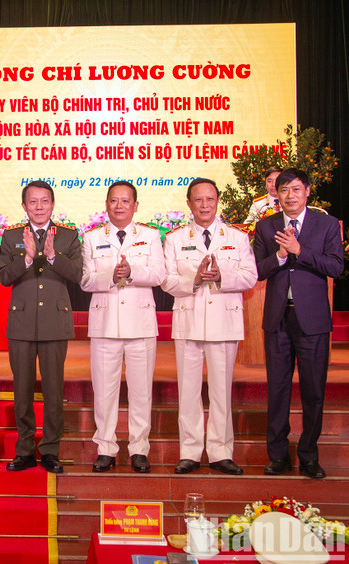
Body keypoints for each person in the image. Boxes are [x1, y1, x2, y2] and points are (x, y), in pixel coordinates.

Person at [161, 178, 257, 475]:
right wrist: (196, 279)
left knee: (220, 391)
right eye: (198, 200)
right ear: (189, 204)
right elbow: (166, 280)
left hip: (224, 323)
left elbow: (250, 277)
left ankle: (220, 452)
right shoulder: (175, 238)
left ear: (218, 202)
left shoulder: (237, 237)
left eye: (210, 199)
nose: (205, 205)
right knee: (188, 391)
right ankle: (190, 451)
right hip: (188, 322)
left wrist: (220, 275)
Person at [253, 168, 343, 479]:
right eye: (283, 190)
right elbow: (257, 271)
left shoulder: (327, 224)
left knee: (313, 390)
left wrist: (300, 251)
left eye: (295, 189)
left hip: (313, 320)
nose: (290, 195)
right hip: (278, 318)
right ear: (275, 194)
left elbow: (335, 266)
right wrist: (279, 256)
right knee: (277, 390)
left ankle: (308, 456)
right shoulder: (266, 227)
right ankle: (277, 456)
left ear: (307, 191)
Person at [0, 180, 82, 474]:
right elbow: (4, 277)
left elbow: (78, 275)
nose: (38, 207)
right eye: (32, 202)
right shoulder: (10, 237)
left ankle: (49, 450)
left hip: (55, 323)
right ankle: (24, 451)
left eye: (44, 201)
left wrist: (52, 256)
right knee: (22, 391)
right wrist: (28, 258)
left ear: (52, 204)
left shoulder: (68, 237)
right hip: (21, 323)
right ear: (24, 206)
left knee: (53, 390)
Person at [80, 181, 164, 473]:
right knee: (104, 391)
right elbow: (86, 280)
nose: (119, 206)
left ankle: (139, 448)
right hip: (104, 324)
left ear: (135, 205)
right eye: (114, 201)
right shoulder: (92, 237)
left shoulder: (151, 235)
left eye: (125, 201)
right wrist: (110, 275)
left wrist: (133, 272)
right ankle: (106, 447)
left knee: (141, 391)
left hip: (141, 324)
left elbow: (158, 274)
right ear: (106, 205)